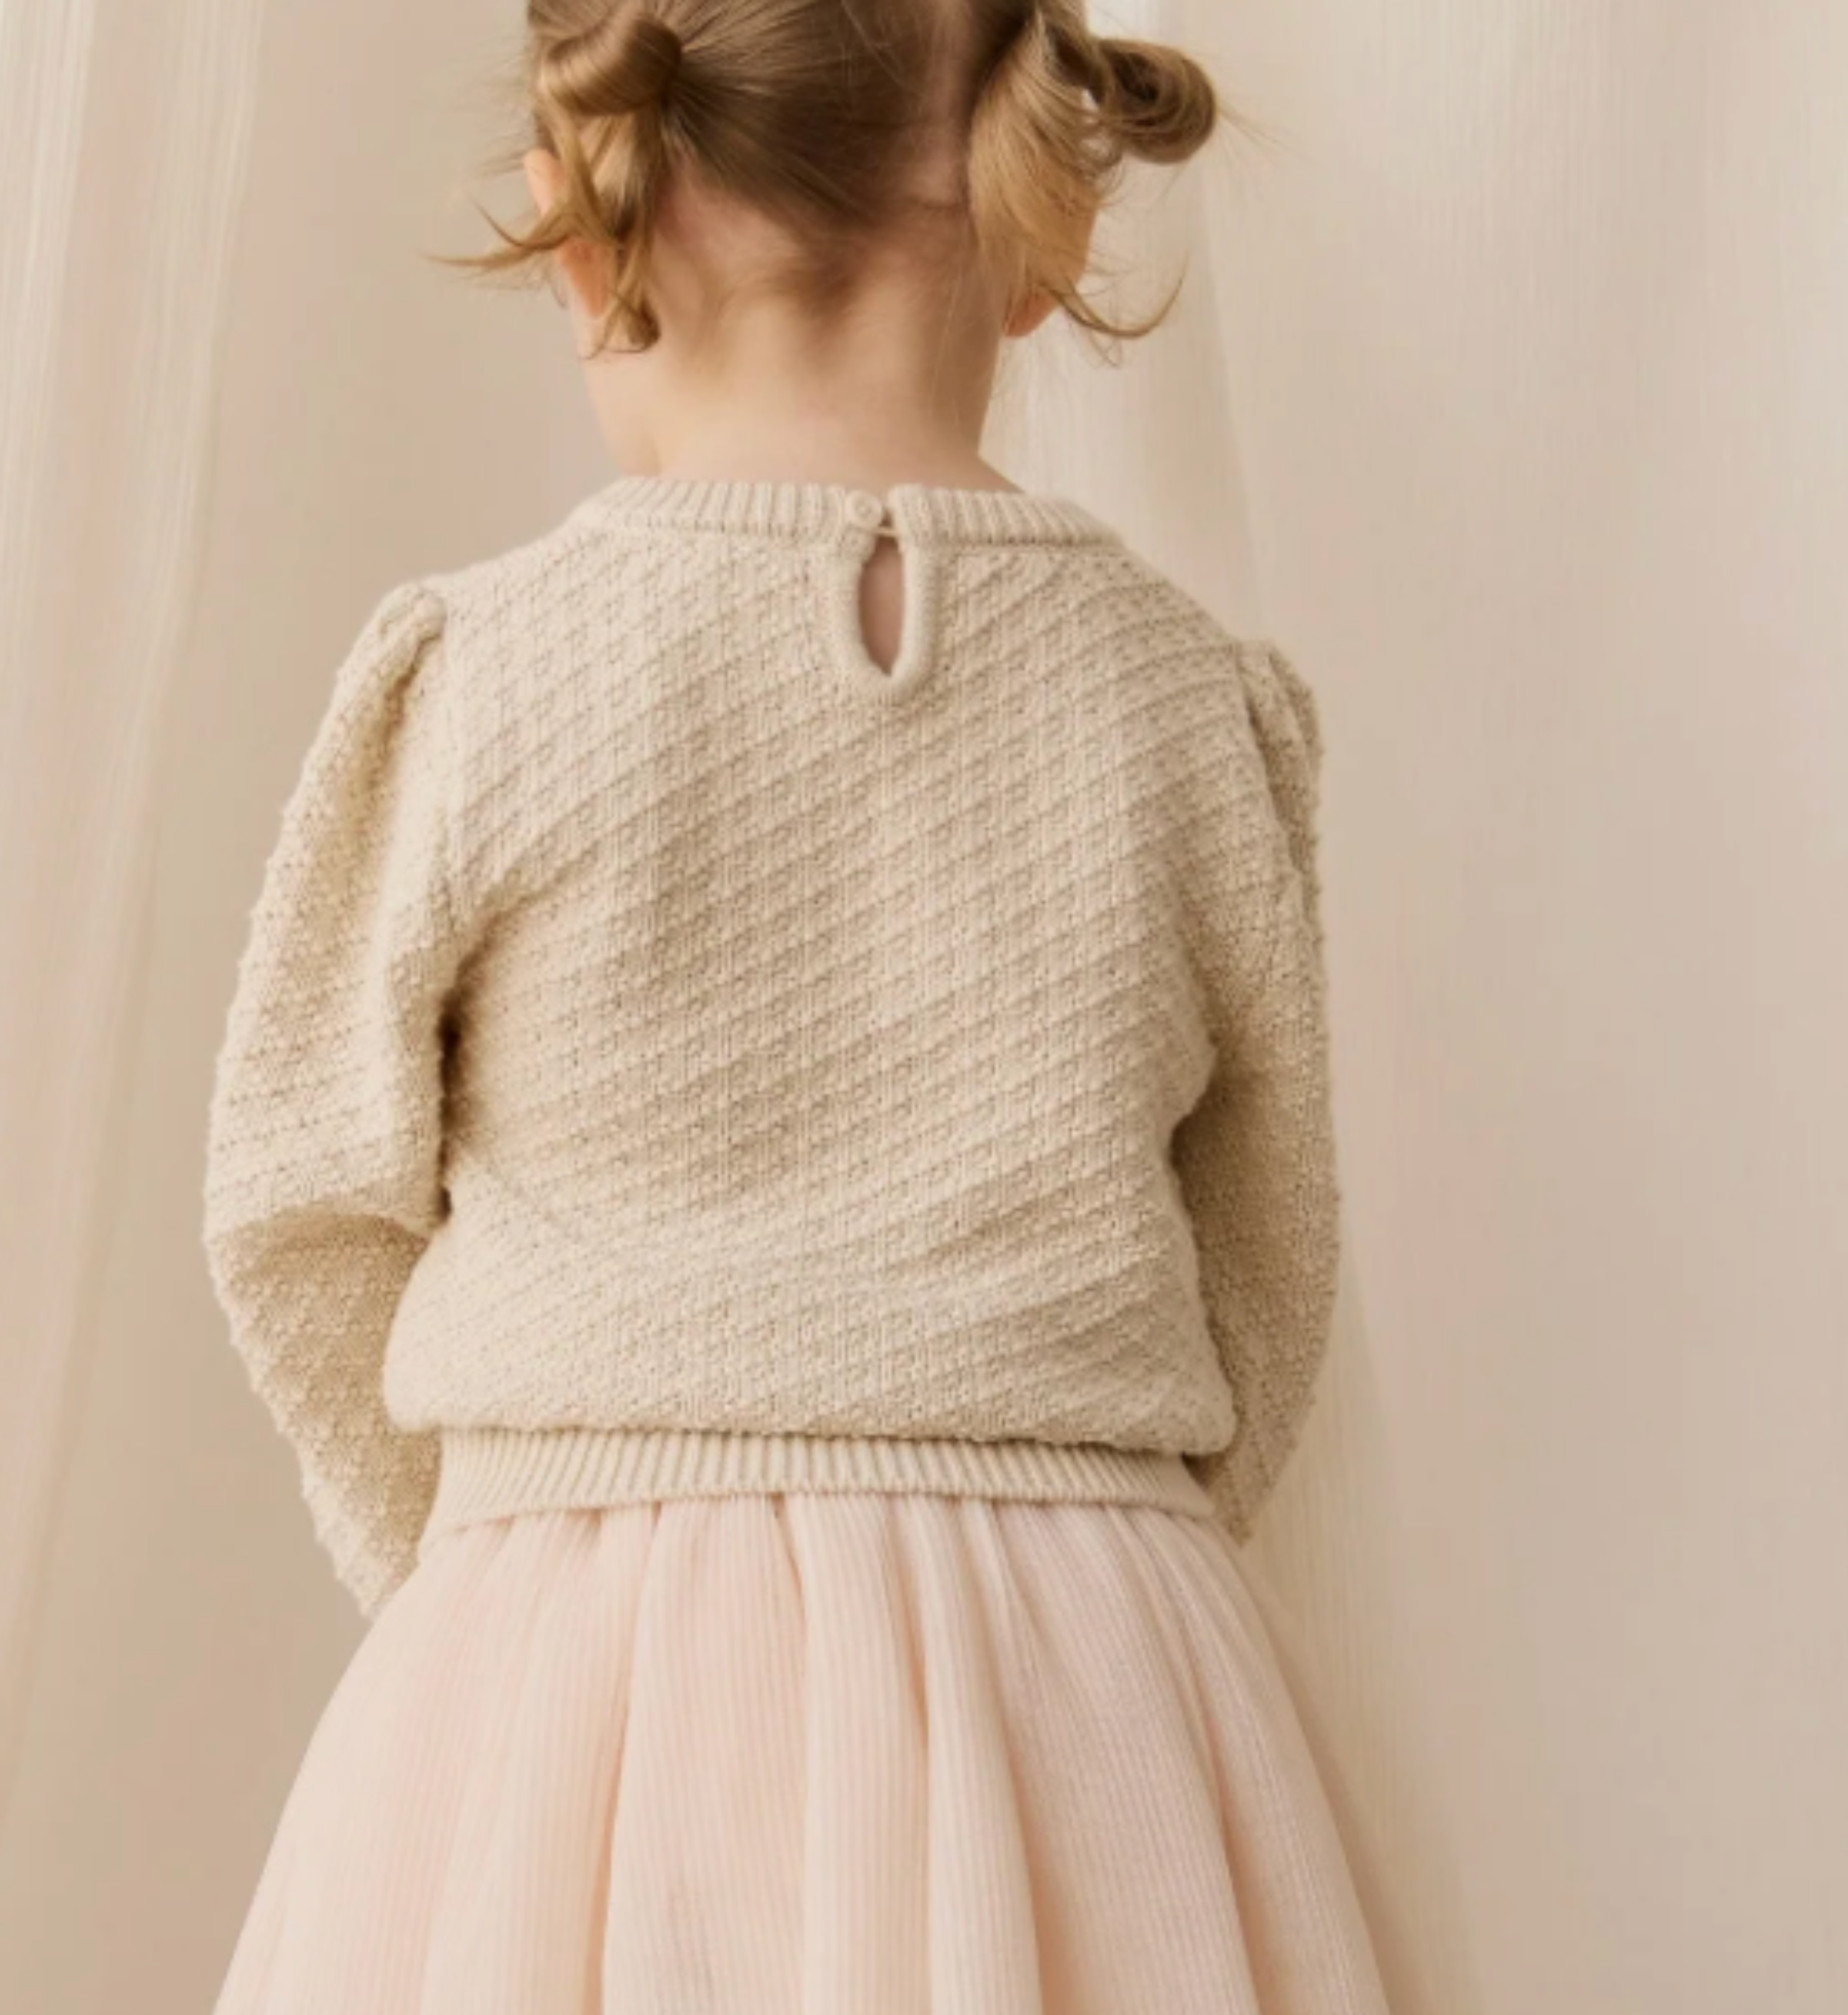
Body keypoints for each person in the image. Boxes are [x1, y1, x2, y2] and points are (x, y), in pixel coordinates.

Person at [201, 2, 1392, 2009]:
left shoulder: (484, 675)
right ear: (1047, 229)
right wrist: (1109, 1551)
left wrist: (483, 1561)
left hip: (574, 1659)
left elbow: (300, 1211)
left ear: (582, 224)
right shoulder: (1194, 703)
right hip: (1092, 1664)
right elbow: (1268, 1260)